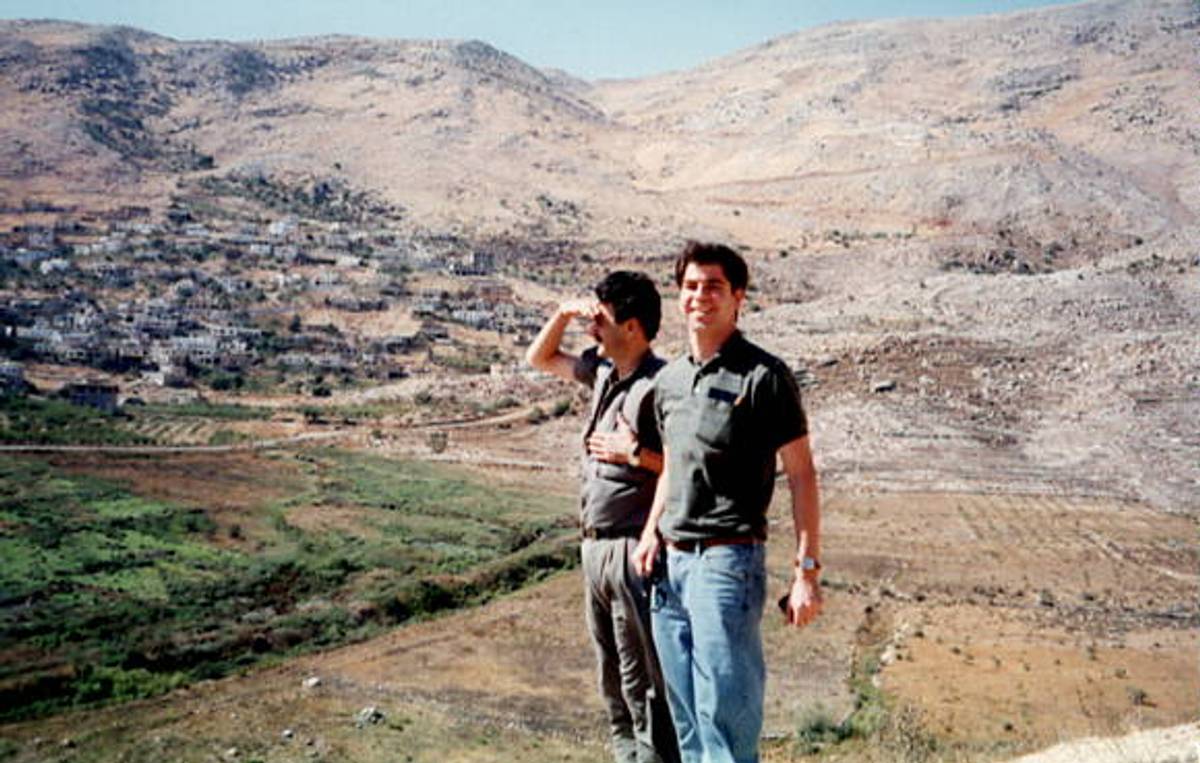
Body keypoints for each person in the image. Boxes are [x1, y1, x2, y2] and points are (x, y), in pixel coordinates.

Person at [632, 242, 822, 763]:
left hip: (726, 562)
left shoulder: (764, 377)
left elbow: (802, 475)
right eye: (690, 286)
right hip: (670, 566)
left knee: (727, 720)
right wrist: (652, 531)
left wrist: (806, 571)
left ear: (738, 296)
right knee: (687, 720)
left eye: (714, 286)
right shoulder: (668, 382)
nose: (700, 297)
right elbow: (674, 463)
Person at [526, 270, 679, 763]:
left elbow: (686, 465)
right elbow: (541, 357)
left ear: (632, 327)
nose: (593, 330)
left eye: (602, 320)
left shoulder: (661, 386)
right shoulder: (604, 374)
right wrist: (565, 314)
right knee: (610, 672)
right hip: (594, 548)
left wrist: (636, 454)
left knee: (644, 676)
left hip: (633, 548)